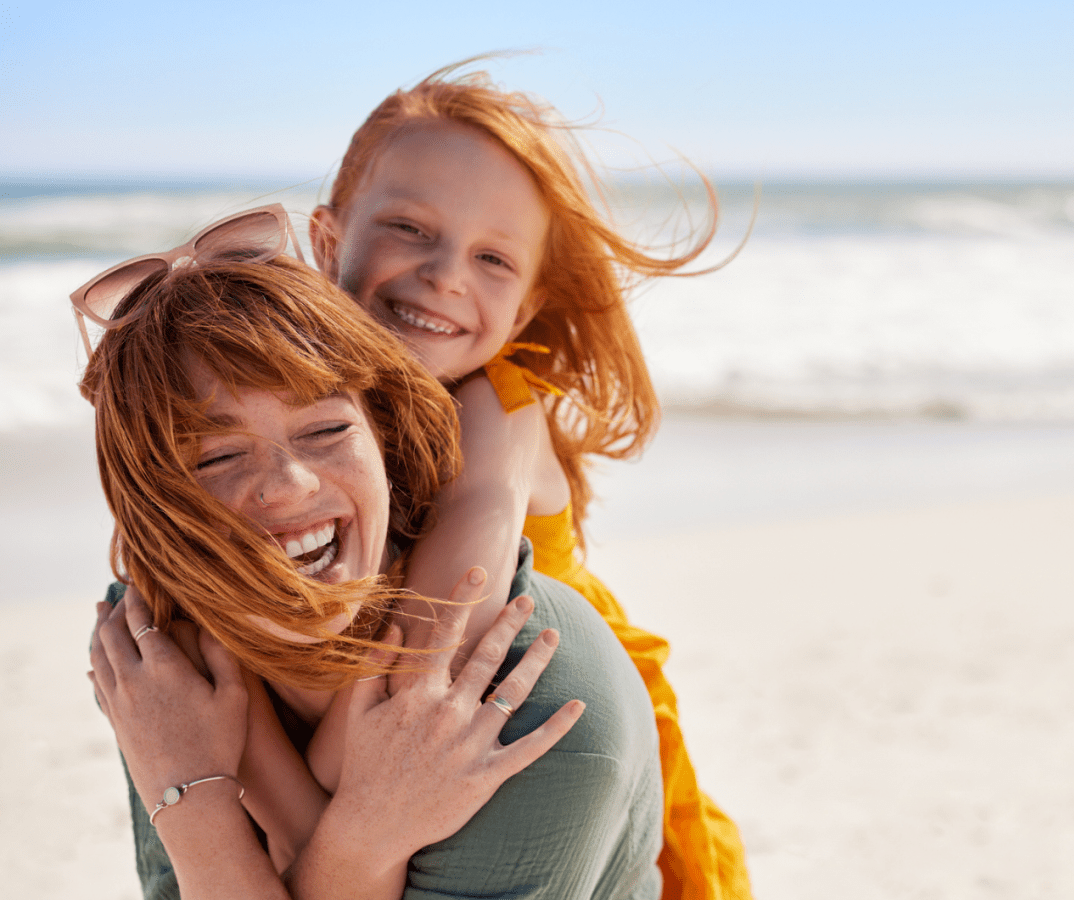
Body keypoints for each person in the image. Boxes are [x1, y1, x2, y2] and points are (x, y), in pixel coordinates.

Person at [75, 214, 662, 899]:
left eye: (326, 429)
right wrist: (347, 833)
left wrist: (203, 807)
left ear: (383, 438)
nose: (289, 484)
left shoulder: (533, 702)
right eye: (219, 456)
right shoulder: (159, 676)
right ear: (152, 504)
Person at [308, 63, 752, 900]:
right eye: (409, 226)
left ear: (524, 309)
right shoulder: (309, 405)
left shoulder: (500, 408)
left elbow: (448, 622)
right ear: (329, 240)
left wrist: (319, 767)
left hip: (580, 755)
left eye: (492, 258)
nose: (445, 274)